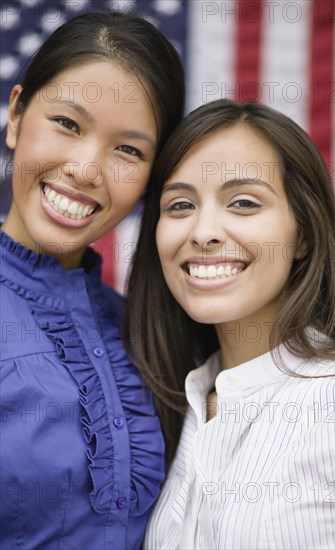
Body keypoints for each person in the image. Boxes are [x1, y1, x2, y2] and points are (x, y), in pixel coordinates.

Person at [124, 99, 335, 549]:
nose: (203, 231)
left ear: (305, 233)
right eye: (179, 205)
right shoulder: (180, 403)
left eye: (243, 202)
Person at [0, 11, 184, 550]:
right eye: (67, 124)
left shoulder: (146, 329)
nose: (86, 168)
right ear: (15, 115)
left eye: (128, 150)